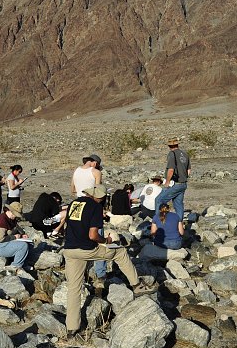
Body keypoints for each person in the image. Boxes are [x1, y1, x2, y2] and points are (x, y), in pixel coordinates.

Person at [61, 185, 153, 335]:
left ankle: (72, 327)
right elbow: (92, 235)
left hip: (70, 250)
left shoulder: (74, 203)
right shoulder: (95, 207)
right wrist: (106, 240)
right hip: (87, 249)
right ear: (101, 197)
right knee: (120, 252)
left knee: (74, 288)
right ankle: (137, 285)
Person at [0, 202, 33, 272]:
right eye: (15, 214)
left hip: (6, 242)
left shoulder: (11, 218)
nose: (15, 216)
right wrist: (14, 237)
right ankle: (15, 267)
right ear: (9, 210)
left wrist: (22, 234)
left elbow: (17, 227)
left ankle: (23, 264)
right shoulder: (0, 222)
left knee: (30, 244)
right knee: (23, 246)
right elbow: (0, 239)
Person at [155, 138, 191, 221]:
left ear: (169, 146)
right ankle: (179, 224)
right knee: (178, 205)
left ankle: (157, 223)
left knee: (159, 200)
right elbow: (188, 170)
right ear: (177, 145)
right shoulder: (185, 154)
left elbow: (171, 169)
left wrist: (167, 182)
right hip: (183, 183)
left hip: (175, 183)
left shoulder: (172, 154)